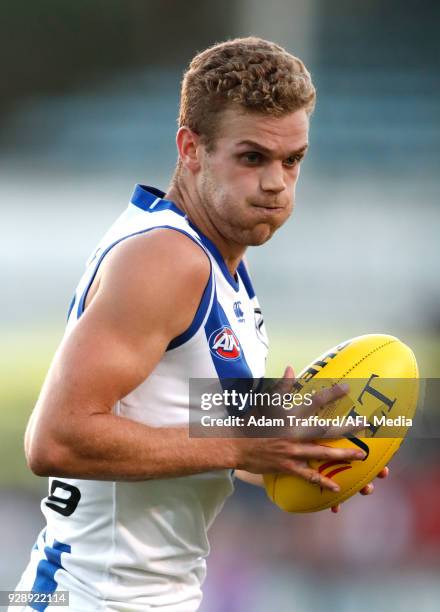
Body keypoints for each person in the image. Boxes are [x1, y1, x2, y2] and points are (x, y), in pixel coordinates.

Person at [13, 37, 387, 611]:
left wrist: (297, 454)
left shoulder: (219, 268)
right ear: (191, 149)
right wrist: (243, 442)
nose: (277, 184)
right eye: (252, 157)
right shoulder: (168, 259)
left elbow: (177, 424)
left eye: (293, 161)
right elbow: (55, 439)